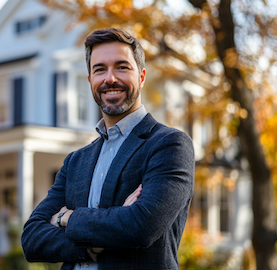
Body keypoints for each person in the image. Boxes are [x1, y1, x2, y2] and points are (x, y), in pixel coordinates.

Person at [21, 27, 195, 269]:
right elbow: (31, 239)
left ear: (142, 76)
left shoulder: (169, 145)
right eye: (100, 69)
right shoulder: (75, 161)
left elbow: (141, 226)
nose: (110, 78)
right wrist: (94, 242)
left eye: (122, 67)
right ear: (90, 79)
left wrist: (65, 218)